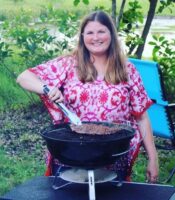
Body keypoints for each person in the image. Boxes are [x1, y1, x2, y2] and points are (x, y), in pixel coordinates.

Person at [16, 10, 159, 183]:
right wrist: (47, 88)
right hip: (72, 153)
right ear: (83, 36)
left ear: (111, 35)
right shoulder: (69, 64)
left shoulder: (127, 70)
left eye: (101, 31)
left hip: (112, 155)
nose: (95, 37)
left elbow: (142, 117)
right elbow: (23, 77)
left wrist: (153, 158)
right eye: (90, 32)